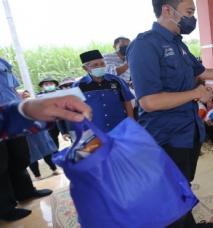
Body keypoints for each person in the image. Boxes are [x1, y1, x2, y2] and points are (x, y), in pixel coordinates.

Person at [128, 0, 213, 228]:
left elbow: (202, 71)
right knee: (168, 198)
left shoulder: (179, 45)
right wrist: (195, 94)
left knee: (179, 187)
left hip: (188, 133)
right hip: (165, 138)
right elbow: (149, 101)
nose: (192, 19)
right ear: (167, 10)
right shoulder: (144, 45)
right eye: (189, 12)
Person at [0, 56, 90, 222]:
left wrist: (24, 108)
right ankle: (5, 208)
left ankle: (25, 192)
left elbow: (11, 89)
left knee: (20, 158)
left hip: (8, 118)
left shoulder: (3, 62)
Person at [74, 50, 134, 132]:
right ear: (85, 68)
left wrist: (131, 122)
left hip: (120, 127)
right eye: (95, 65)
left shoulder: (116, 81)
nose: (100, 67)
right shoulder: (79, 86)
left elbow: (127, 102)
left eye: (102, 63)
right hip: (95, 132)